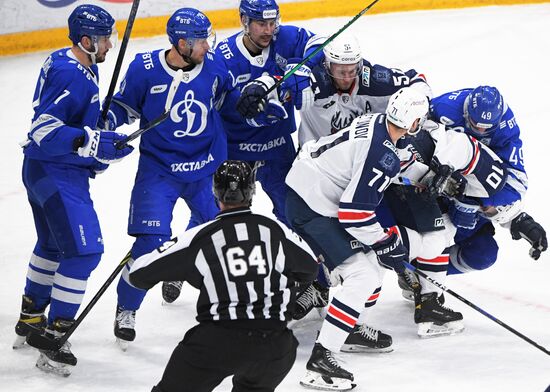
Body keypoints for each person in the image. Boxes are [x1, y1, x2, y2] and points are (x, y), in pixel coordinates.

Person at [99, 7, 233, 349]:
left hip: (205, 169)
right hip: (159, 171)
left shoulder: (216, 66)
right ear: (182, 43)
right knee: (148, 243)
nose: (208, 46)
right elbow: (122, 107)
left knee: (216, 232)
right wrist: (105, 125)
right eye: (201, 41)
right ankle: (127, 307)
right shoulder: (144, 70)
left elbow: (225, 99)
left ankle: (179, 268)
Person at [13, 4, 132, 376]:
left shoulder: (70, 61)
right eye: (105, 38)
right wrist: (90, 142)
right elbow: (45, 131)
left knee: (51, 245)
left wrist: (97, 131)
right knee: (84, 253)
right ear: (86, 40)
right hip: (55, 173)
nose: (111, 44)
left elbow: (72, 121)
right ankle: (54, 335)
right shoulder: (73, 74)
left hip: (40, 169)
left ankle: (31, 317)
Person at [128, 160, 319, 392]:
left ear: (215, 192)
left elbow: (138, 275)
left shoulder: (199, 237)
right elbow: (310, 268)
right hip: (275, 346)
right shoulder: (275, 230)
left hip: (216, 343)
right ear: (252, 191)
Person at [285, 87, 429, 390]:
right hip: (312, 204)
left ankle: (345, 328)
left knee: (372, 275)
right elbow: (354, 214)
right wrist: (383, 241)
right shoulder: (382, 153)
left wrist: (427, 175)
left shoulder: (379, 122)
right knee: (362, 275)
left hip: (314, 189)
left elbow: (394, 159)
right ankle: (320, 361)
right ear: (413, 122)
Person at [216, 0, 325, 229]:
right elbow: (215, 105)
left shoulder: (284, 38)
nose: (268, 30)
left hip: (278, 147)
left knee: (296, 214)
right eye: (260, 24)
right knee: (226, 220)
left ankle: (307, 263)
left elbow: (321, 43)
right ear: (244, 22)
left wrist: (304, 67)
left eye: (271, 22)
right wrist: (247, 110)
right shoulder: (223, 57)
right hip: (236, 151)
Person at [430, 86, 547, 273]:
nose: (480, 130)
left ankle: (421, 274)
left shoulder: (505, 129)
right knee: (428, 239)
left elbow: (514, 184)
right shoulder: (443, 107)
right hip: (430, 186)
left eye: (486, 127)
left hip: (467, 199)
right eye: (475, 124)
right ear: (466, 111)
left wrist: (516, 218)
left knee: (483, 254)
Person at [297, 32, 432, 145]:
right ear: (327, 66)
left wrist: (417, 105)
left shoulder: (376, 81)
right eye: (341, 72)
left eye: (352, 71)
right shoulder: (309, 82)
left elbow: (416, 79)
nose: (347, 78)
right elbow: (280, 91)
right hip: (314, 162)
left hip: (362, 160)